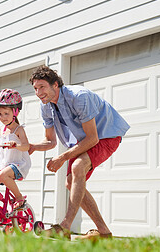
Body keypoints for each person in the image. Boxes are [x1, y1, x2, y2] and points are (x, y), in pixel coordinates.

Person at [28, 65, 130, 240]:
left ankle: (64, 227)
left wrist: (62, 157)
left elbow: (93, 139)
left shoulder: (78, 97)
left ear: (55, 85)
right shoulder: (45, 107)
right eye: (36, 89)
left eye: (42, 87)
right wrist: (31, 146)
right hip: (85, 140)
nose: (38, 92)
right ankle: (104, 233)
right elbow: (50, 141)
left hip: (107, 134)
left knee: (78, 167)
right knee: (70, 182)